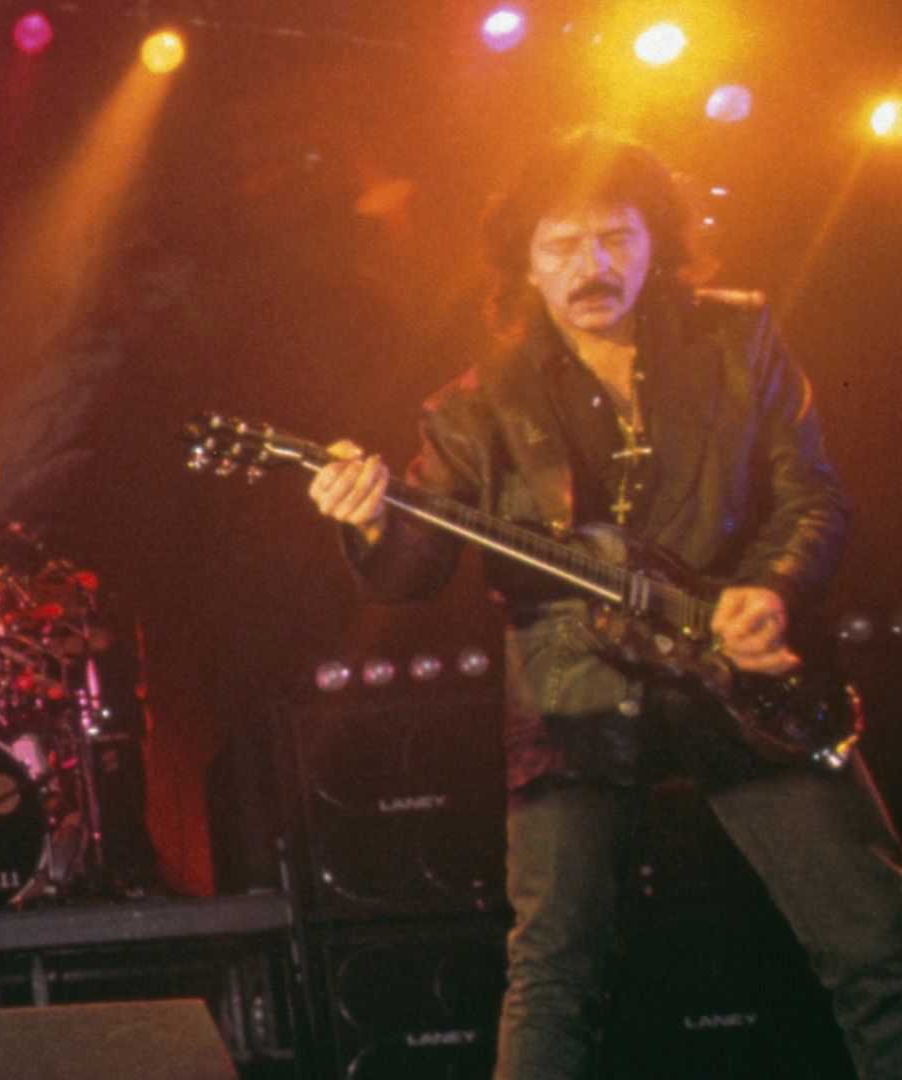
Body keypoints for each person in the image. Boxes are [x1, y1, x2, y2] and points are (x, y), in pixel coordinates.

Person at [306, 129, 902, 1077]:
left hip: (745, 670)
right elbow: (414, 574)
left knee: (879, 943)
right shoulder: (475, 404)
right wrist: (371, 523)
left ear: (655, 239)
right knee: (554, 970)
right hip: (574, 689)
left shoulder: (737, 335)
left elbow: (812, 494)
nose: (592, 266)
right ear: (524, 264)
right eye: (561, 245)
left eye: (614, 238)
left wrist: (772, 594)